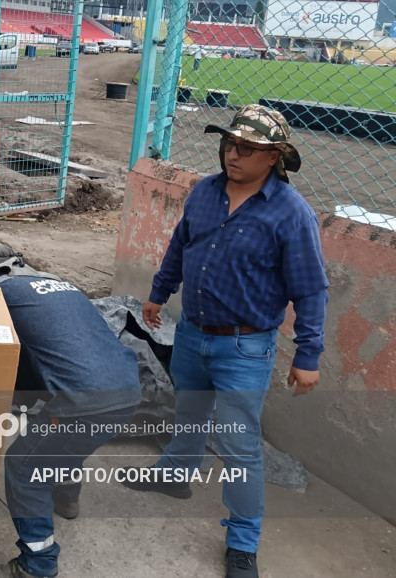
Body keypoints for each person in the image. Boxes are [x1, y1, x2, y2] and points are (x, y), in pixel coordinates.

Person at [121, 105, 329, 578]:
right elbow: (180, 246)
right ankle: (175, 476)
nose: (232, 154)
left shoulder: (291, 215)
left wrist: (309, 353)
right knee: (190, 413)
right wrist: (158, 293)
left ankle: (242, 540)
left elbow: (310, 288)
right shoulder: (205, 193)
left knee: (239, 447)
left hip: (245, 348)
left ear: (274, 157)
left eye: (247, 149)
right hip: (193, 332)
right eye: (228, 144)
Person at [0, 243, 142, 578]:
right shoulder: (57, 283)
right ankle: (66, 496)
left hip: (83, 402)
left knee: (24, 467)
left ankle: (37, 564)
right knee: (62, 443)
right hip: (127, 388)